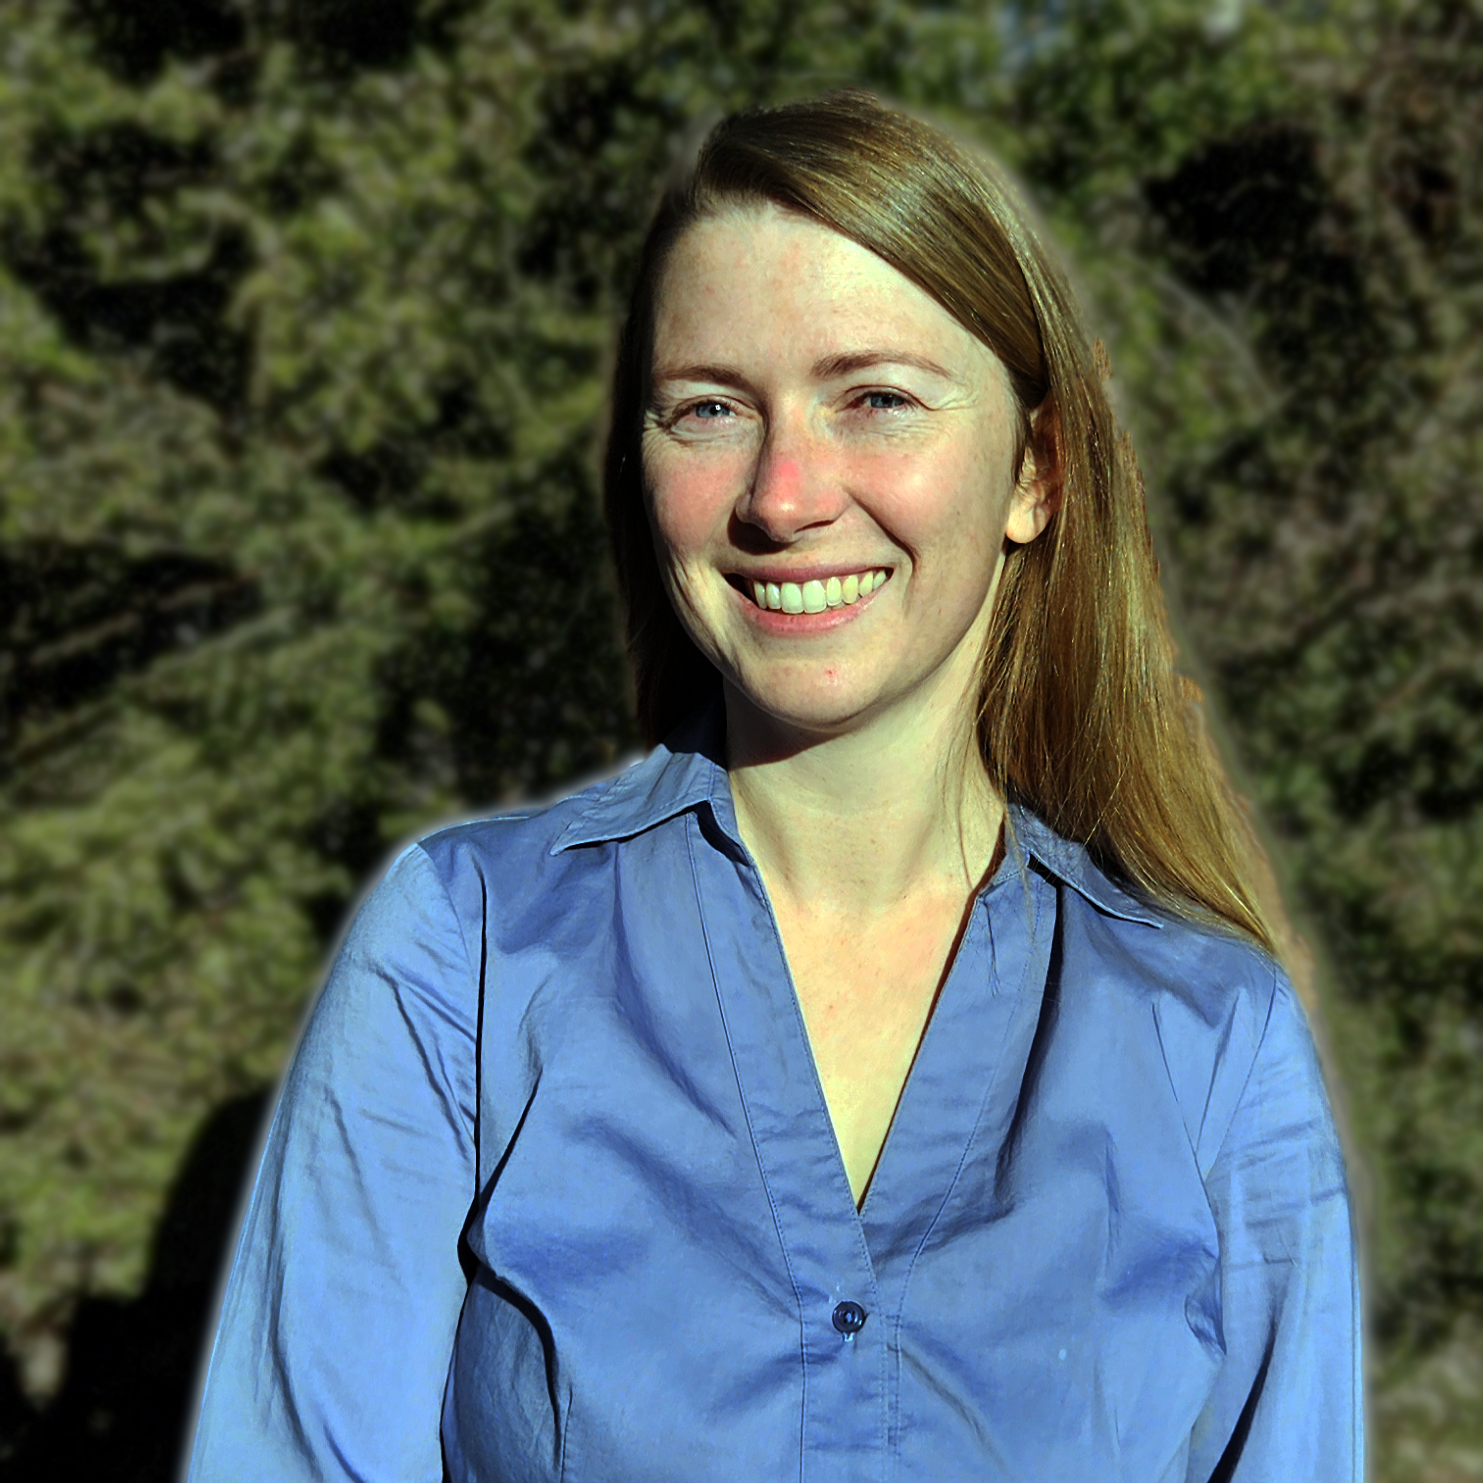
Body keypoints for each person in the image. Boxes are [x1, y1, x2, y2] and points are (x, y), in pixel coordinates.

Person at [183, 91, 1362, 1482]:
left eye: (872, 397)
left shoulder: (1212, 1043)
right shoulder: (466, 953)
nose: (782, 491)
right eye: (709, 408)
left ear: (1033, 471)